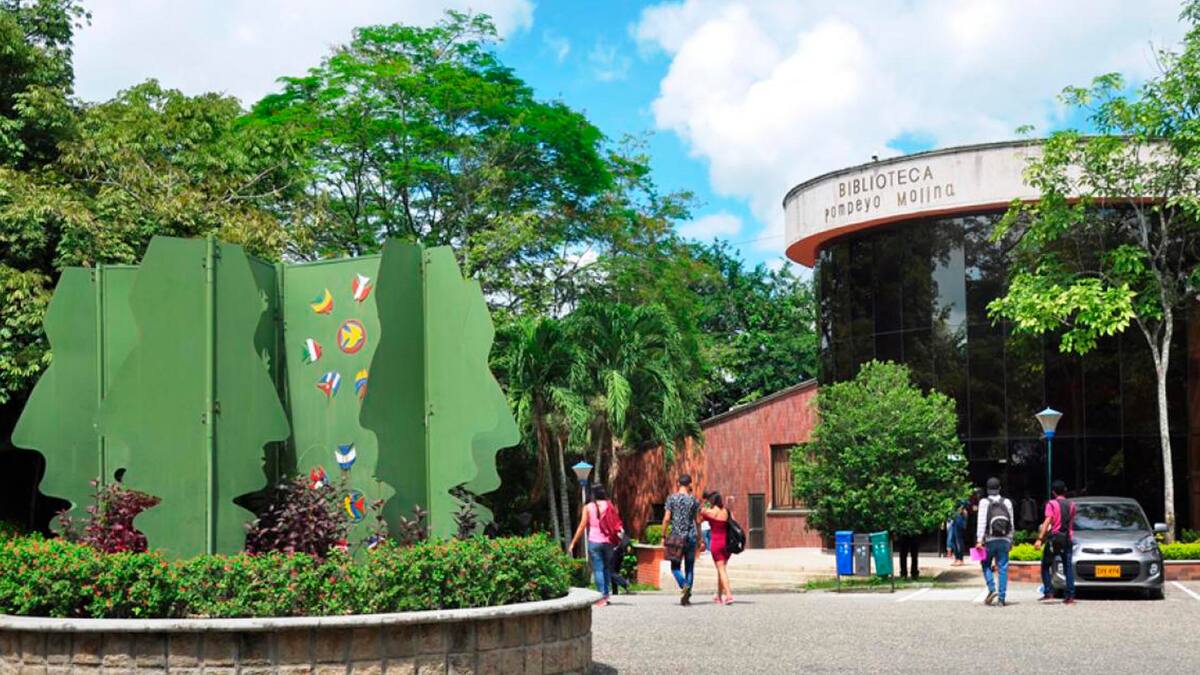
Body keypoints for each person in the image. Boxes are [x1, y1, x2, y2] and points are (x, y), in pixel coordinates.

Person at [568, 483, 621, 607]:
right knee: (606, 568)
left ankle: (601, 597)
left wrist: (573, 542)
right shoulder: (609, 505)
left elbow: (582, 526)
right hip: (608, 542)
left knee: (598, 569)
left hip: (594, 541)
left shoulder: (588, 507)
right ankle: (606, 595)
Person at [1034, 480, 1077, 605]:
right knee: (1068, 567)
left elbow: (1048, 520)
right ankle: (1070, 596)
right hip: (1067, 539)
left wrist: (1040, 539)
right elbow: (1071, 522)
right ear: (1065, 490)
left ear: (1053, 492)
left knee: (1045, 565)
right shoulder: (1072, 505)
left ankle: (1048, 592)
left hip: (1055, 539)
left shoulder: (1051, 504)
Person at [661, 474, 700, 606]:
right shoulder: (694, 500)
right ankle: (687, 594)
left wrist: (663, 535)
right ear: (690, 484)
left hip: (676, 537)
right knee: (689, 567)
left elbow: (667, 518)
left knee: (675, 567)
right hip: (690, 536)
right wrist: (700, 539)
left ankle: (684, 585)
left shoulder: (672, 498)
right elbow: (698, 521)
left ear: (678, 484)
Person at [975, 477, 1014, 607]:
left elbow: (981, 522)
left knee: (985, 564)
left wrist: (979, 540)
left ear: (987, 489)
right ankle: (1001, 599)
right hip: (1004, 539)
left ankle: (992, 588)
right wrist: (1011, 539)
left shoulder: (984, 502)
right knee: (1003, 568)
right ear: (999, 488)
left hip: (989, 540)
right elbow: (1011, 522)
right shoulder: (1007, 502)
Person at [700, 491, 735, 604]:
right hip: (727, 543)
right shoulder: (726, 511)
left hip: (716, 543)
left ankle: (728, 595)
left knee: (722, 570)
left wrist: (704, 507)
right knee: (721, 569)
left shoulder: (710, 512)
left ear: (711, 501)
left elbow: (699, 518)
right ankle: (719, 596)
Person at [946, 500, 968, 566]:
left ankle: (960, 559)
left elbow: (965, 502)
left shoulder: (961, 498)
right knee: (953, 540)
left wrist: (961, 508)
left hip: (959, 518)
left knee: (959, 540)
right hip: (953, 518)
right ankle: (956, 558)